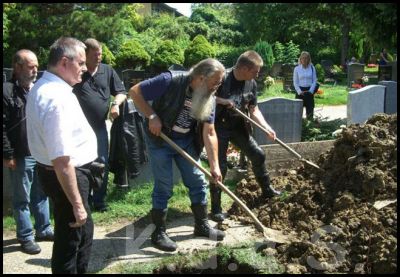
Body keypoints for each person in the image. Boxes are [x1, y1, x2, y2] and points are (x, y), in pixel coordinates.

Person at [129, 58, 226, 252]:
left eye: (220, 82)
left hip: (186, 141)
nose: (218, 86)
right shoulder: (169, 80)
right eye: (215, 82)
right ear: (200, 78)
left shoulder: (208, 97)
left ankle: (201, 225)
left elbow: (209, 132)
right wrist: (152, 116)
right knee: (164, 184)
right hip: (160, 139)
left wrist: (214, 165)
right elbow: (134, 91)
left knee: (198, 180)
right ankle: (159, 232)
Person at [26, 37, 98, 273]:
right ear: (64, 62)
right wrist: (77, 204)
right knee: (70, 242)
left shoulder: (47, 86)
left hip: (65, 174)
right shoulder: (55, 97)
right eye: (80, 63)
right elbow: (62, 160)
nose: (85, 68)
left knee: (83, 233)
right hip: (68, 175)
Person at [211, 50, 281, 222]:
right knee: (220, 167)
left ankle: (267, 190)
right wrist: (223, 101)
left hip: (238, 126)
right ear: (243, 68)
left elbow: (253, 109)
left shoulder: (251, 84)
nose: (258, 75)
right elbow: (205, 96)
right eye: (255, 71)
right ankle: (216, 208)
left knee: (258, 154)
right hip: (217, 127)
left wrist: (266, 127)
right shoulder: (222, 77)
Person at [3, 49, 54, 255]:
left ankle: (44, 228)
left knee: (42, 194)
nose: (35, 70)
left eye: (36, 66)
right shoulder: (6, 91)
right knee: (21, 198)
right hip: (20, 154)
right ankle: (25, 236)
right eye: (30, 66)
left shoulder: (38, 88)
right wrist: (8, 154)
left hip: (40, 152)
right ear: (17, 67)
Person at [73, 38, 127, 212]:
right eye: (95, 54)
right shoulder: (77, 72)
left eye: (100, 54)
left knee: (101, 162)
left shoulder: (107, 71)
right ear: (85, 54)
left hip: (99, 128)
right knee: (81, 164)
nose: (99, 57)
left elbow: (121, 92)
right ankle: (83, 200)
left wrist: (115, 104)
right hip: (78, 129)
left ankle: (99, 200)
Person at [293, 51, 318, 120]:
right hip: (300, 92)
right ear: (300, 59)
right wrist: (299, 91)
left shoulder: (312, 68)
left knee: (310, 113)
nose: (304, 60)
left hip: (309, 92)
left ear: (309, 59)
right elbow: (295, 82)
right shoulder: (297, 69)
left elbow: (314, 80)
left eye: (306, 58)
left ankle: (309, 127)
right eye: (303, 58)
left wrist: (311, 91)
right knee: (298, 114)